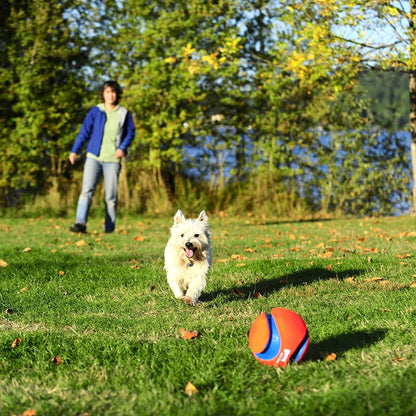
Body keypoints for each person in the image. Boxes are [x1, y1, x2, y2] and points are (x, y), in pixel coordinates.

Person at [69, 80, 135, 233]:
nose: (111, 95)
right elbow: (84, 131)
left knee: (111, 197)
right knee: (86, 191)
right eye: (107, 92)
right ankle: (80, 224)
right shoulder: (96, 111)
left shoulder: (123, 113)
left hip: (113, 160)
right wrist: (74, 150)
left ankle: (109, 228)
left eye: (113, 92)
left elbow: (130, 133)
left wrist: (122, 148)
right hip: (94, 157)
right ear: (103, 94)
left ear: (117, 94)